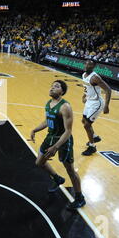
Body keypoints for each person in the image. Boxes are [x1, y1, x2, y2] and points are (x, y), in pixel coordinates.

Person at [29, 80, 85, 210]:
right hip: (50, 137)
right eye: (52, 86)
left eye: (57, 86)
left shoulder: (65, 107)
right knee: (39, 162)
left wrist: (56, 146)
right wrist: (35, 130)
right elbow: (48, 121)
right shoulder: (49, 103)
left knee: (70, 170)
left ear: (62, 92)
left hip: (63, 140)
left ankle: (79, 198)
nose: (52, 88)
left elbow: (68, 131)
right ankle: (57, 178)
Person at [81, 60, 112, 156]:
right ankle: (94, 136)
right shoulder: (84, 75)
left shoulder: (95, 78)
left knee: (86, 125)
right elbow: (87, 87)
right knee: (83, 120)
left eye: (90, 64)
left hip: (96, 103)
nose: (87, 65)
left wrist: (106, 105)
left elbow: (108, 90)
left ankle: (92, 146)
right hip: (89, 101)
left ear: (94, 66)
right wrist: (84, 95)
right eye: (86, 63)